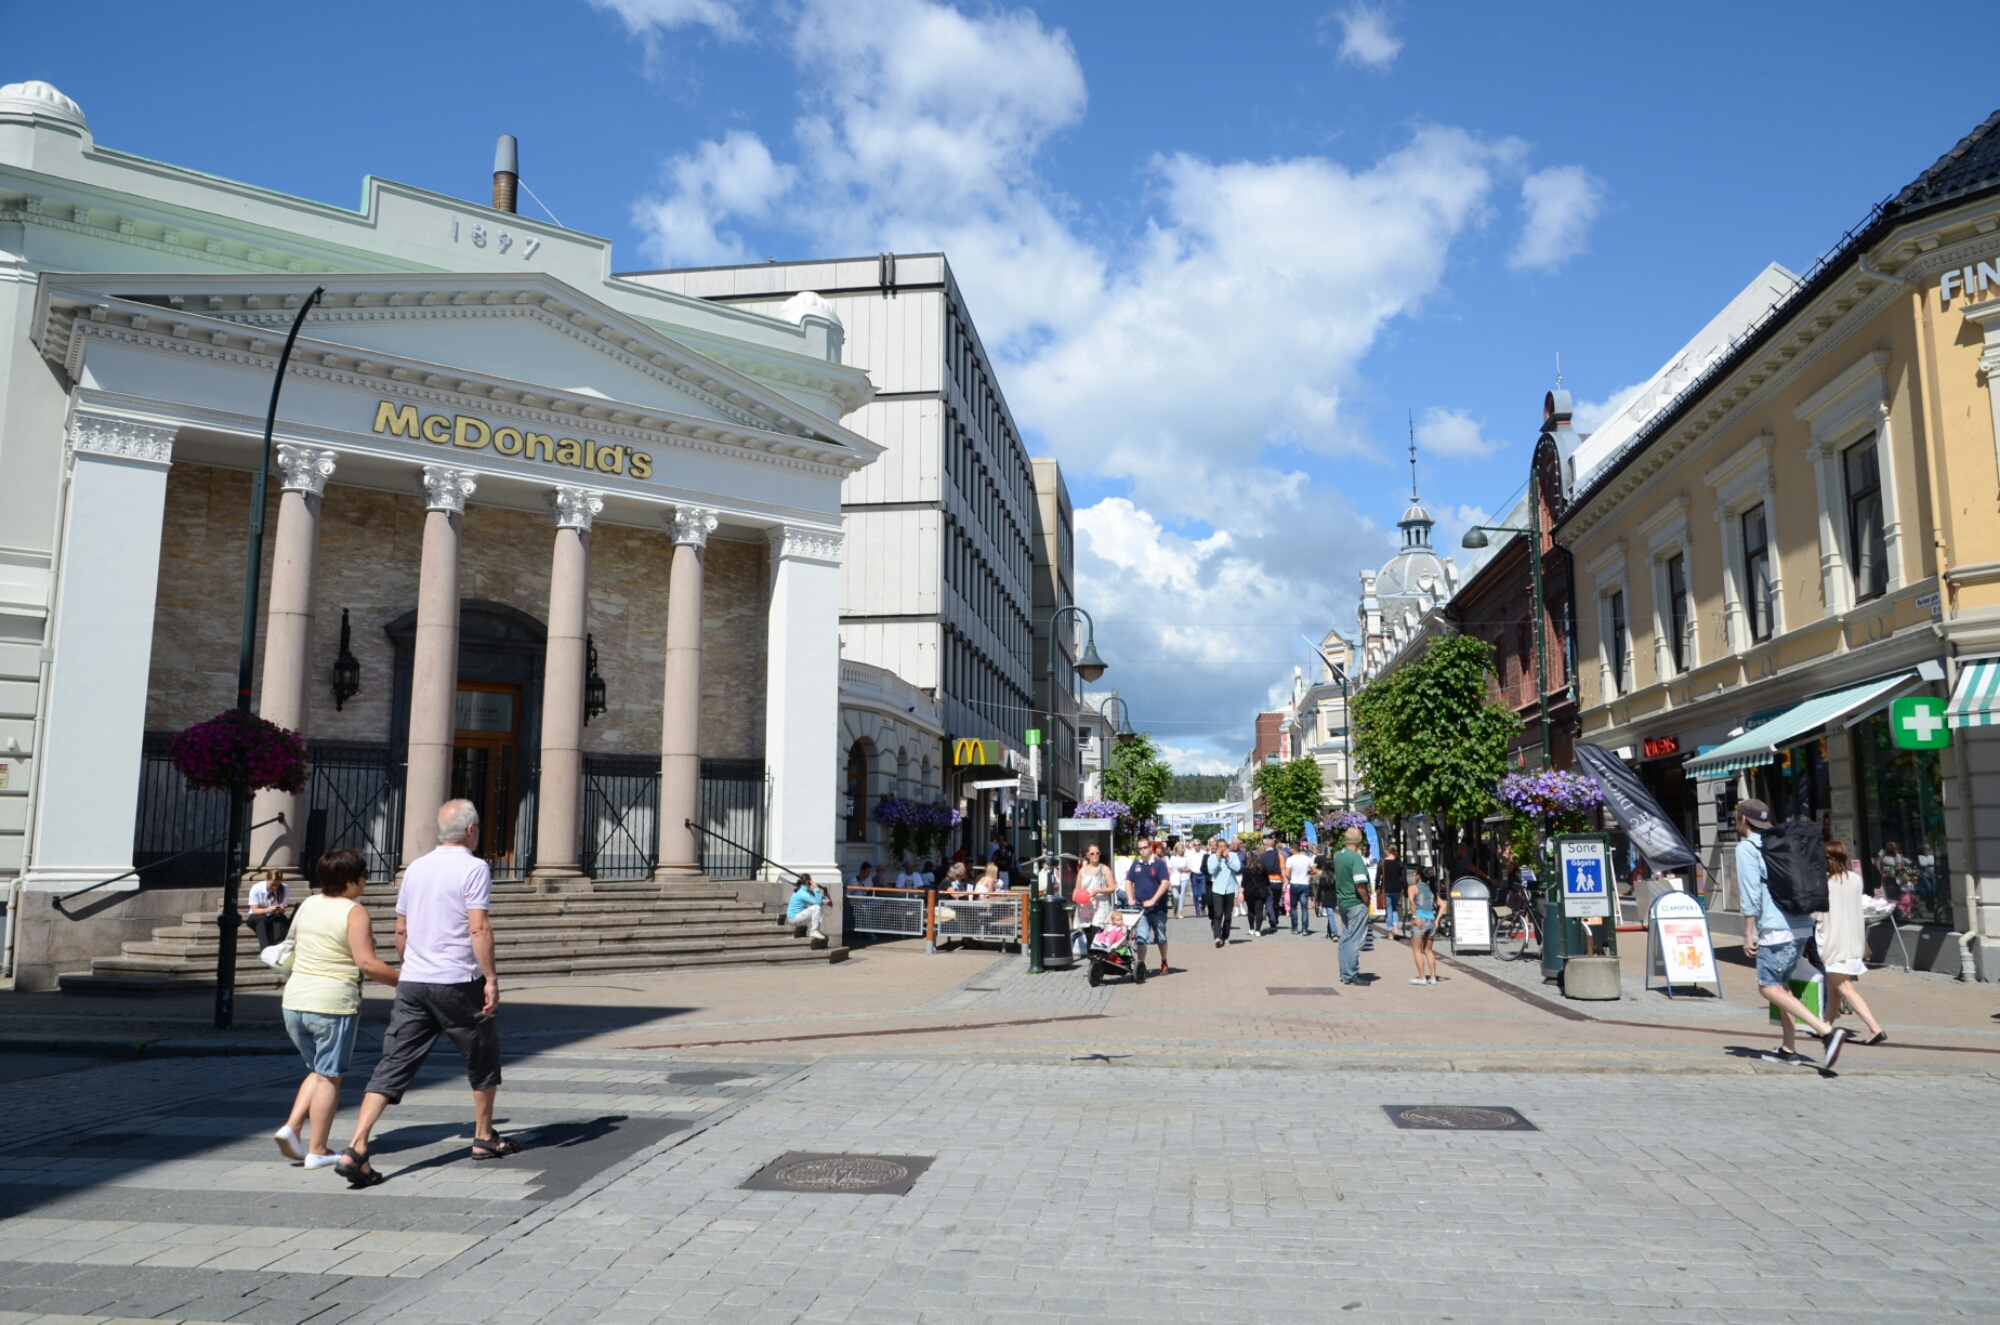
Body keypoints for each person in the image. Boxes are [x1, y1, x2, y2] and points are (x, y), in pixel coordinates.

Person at [337, 799, 512, 1188]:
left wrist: (412, 964)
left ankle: (356, 1145)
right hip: (458, 981)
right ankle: (483, 1135)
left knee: (394, 1063)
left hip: (414, 982)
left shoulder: (415, 867)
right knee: (482, 1056)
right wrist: (491, 978)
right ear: (471, 831)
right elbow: (478, 928)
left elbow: (401, 929)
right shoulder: (474, 867)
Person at [273, 848, 399, 1170]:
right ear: (350, 880)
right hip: (331, 1004)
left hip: (294, 1001)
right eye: (364, 875)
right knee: (330, 1076)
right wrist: (404, 982)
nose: (366, 880)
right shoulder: (354, 912)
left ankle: (293, 1126)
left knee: (318, 1069)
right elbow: (367, 963)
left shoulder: (308, 904)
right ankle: (318, 1149)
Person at [1737, 798, 1847, 1069]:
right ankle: (1788, 1049)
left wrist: (1748, 932)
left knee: (1768, 987)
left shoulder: (1747, 848)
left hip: (1776, 929)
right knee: (1782, 985)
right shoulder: (1781, 843)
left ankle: (1826, 1031)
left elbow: (1751, 894)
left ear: (1743, 819)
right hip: (1801, 925)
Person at [1818, 840, 1886, 1045]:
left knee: (1845, 988)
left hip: (1834, 943)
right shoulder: (1855, 879)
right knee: (1834, 987)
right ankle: (1826, 1027)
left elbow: (1816, 914)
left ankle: (1875, 1028)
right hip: (1853, 940)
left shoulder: (1824, 884)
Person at [1332, 827, 1371, 985]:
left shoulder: (1338, 856)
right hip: (1355, 902)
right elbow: (1360, 883)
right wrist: (1366, 900)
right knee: (1354, 940)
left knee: (1346, 938)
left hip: (1343, 901)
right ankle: (1350, 974)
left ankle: (1345, 971)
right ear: (1359, 840)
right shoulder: (1355, 858)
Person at [1129, 839, 1173, 975]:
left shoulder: (1159, 864)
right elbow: (1128, 881)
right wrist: (1130, 898)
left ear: (1150, 848)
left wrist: (1153, 900)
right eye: (1140, 848)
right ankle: (1140, 967)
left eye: (1145, 847)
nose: (1142, 850)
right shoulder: (1136, 864)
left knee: (1161, 937)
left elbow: (1165, 883)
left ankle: (1164, 961)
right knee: (1141, 938)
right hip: (1141, 909)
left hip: (1158, 908)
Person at [1406, 857, 1439, 985]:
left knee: (1417, 950)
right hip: (1431, 920)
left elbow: (1411, 901)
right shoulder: (1431, 890)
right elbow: (1443, 905)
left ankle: (1422, 977)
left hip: (1420, 921)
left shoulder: (1413, 888)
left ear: (1418, 875)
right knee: (1428, 950)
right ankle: (1433, 977)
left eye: (1415, 874)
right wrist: (1437, 920)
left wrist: (1415, 917)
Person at [1078, 843, 1117, 946]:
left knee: (1097, 934)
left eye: (1097, 853)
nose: (1095, 855)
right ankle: (1091, 954)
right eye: (1092, 853)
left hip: (1100, 906)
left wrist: (1098, 891)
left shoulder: (1104, 869)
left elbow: (1112, 888)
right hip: (1086, 906)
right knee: (1088, 935)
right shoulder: (1082, 871)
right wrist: (1077, 896)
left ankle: (1097, 954)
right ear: (1088, 855)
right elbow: (1077, 889)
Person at [247, 869, 293, 952]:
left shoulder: (284, 888)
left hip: (273, 915)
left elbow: (283, 911)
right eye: (272, 884)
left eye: (277, 885)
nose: (275, 887)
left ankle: (279, 944)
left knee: (280, 918)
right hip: (256, 916)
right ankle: (265, 948)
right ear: (266, 879)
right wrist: (268, 910)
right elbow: (255, 910)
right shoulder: (256, 888)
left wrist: (281, 909)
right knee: (262, 919)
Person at [1205, 838, 1239, 947]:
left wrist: (1228, 858)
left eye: (1224, 846)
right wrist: (1218, 858)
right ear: (1217, 848)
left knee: (1228, 916)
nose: (1223, 848)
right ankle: (1217, 937)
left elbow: (1237, 868)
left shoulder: (1233, 856)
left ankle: (1225, 936)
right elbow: (1211, 871)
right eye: (1220, 847)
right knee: (1218, 914)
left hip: (1230, 888)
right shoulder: (1212, 857)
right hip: (1218, 889)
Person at [1240, 841, 1272, 938]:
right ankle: (1258, 930)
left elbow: (1244, 882)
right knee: (1259, 911)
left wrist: (1241, 892)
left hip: (1249, 891)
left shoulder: (1247, 868)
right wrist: (1268, 889)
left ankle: (1251, 929)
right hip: (1260, 891)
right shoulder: (1263, 868)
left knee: (1250, 910)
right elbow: (1267, 881)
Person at [787, 874, 830, 944]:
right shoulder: (802, 893)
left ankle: (817, 930)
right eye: (811, 881)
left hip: (796, 917)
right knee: (817, 907)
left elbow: (814, 900)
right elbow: (817, 902)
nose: (812, 883)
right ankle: (814, 931)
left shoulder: (802, 891)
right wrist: (816, 889)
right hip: (794, 918)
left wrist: (824, 901)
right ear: (808, 882)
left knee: (819, 907)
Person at [1286, 840, 1314, 935]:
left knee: (1293, 907)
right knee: (1304, 907)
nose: (1290, 850)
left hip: (1294, 883)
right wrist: (1309, 873)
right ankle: (1305, 929)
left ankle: (1295, 928)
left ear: (1293, 849)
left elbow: (1287, 874)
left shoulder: (1290, 859)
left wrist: (1289, 878)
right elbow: (1314, 871)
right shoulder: (1307, 859)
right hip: (1304, 883)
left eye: (1290, 848)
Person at [1378, 845, 1406, 940]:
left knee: (1389, 910)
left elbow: (1378, 876)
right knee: (1394, 909)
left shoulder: (1382, 862)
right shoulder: (1399, 863)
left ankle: (1390, 933)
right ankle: (1396, 929)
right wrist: (1405, 889)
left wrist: (1377, 887)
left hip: (1387, 889)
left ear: (1387, 851)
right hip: (1397, 889)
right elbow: (1403, 878)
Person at [1169, 841, 1193, 918]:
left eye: (1182, 848)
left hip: (1184, 877)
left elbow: (1190, 868)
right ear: (1176, 849)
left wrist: (1183, 870)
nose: (1181, 849)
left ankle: (1180, 912)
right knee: (1176, 896)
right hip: (1175, 878)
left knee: (1182, 895)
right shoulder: (1172, 858)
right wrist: (1169, 879)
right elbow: (1169, 869)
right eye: (1179, 848)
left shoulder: (1186, 858)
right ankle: (1175, 907)